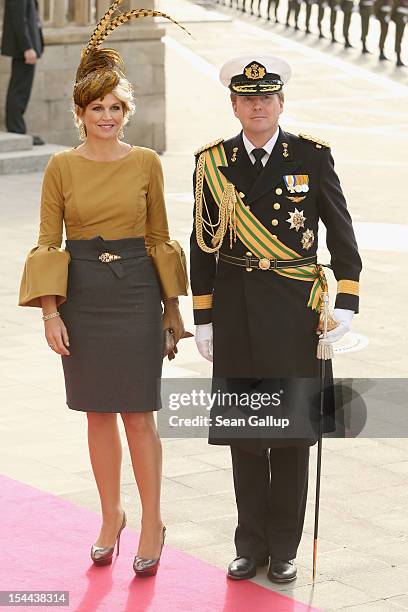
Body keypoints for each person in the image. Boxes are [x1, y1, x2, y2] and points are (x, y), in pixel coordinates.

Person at [18, 3, 189, 577]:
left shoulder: (146, 164)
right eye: (98, 108)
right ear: (81, 112)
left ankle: (154, 520)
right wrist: (50, 313)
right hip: (85, 297)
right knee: (97, 414)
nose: (109, 116)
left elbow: (161, 237)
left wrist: (173, 311)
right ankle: (110, 515)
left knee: (139, 414)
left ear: (127, 110)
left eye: (117, 107)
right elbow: (48, 243)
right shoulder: (61, 168)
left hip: (139, 294)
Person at [190, 55, 362, 583]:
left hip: (294, 316)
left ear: (280, 103)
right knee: (245, 433)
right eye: (248, 98)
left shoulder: (311, 156)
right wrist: (205, 317)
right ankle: (250, 543)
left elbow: (341, 233)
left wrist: (346, 302)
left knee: (289, 435)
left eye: (266, 97)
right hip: (237, 314)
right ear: (235, 105)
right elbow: (201, 244)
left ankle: (284, 546)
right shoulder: (212, 162)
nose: (257, 105)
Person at [1, 0, 45, 145]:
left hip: (27, 48)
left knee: (21, 91)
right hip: (23, 50)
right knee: (19, 91)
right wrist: (27, 47)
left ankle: (18, 131)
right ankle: (16, 131)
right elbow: (18, 19)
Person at [392, 0, 408, 66]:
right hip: (399, 20)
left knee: (400, 38)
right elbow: (394, 7)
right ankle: (398, 58)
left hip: (404, 19)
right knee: (398, 38)